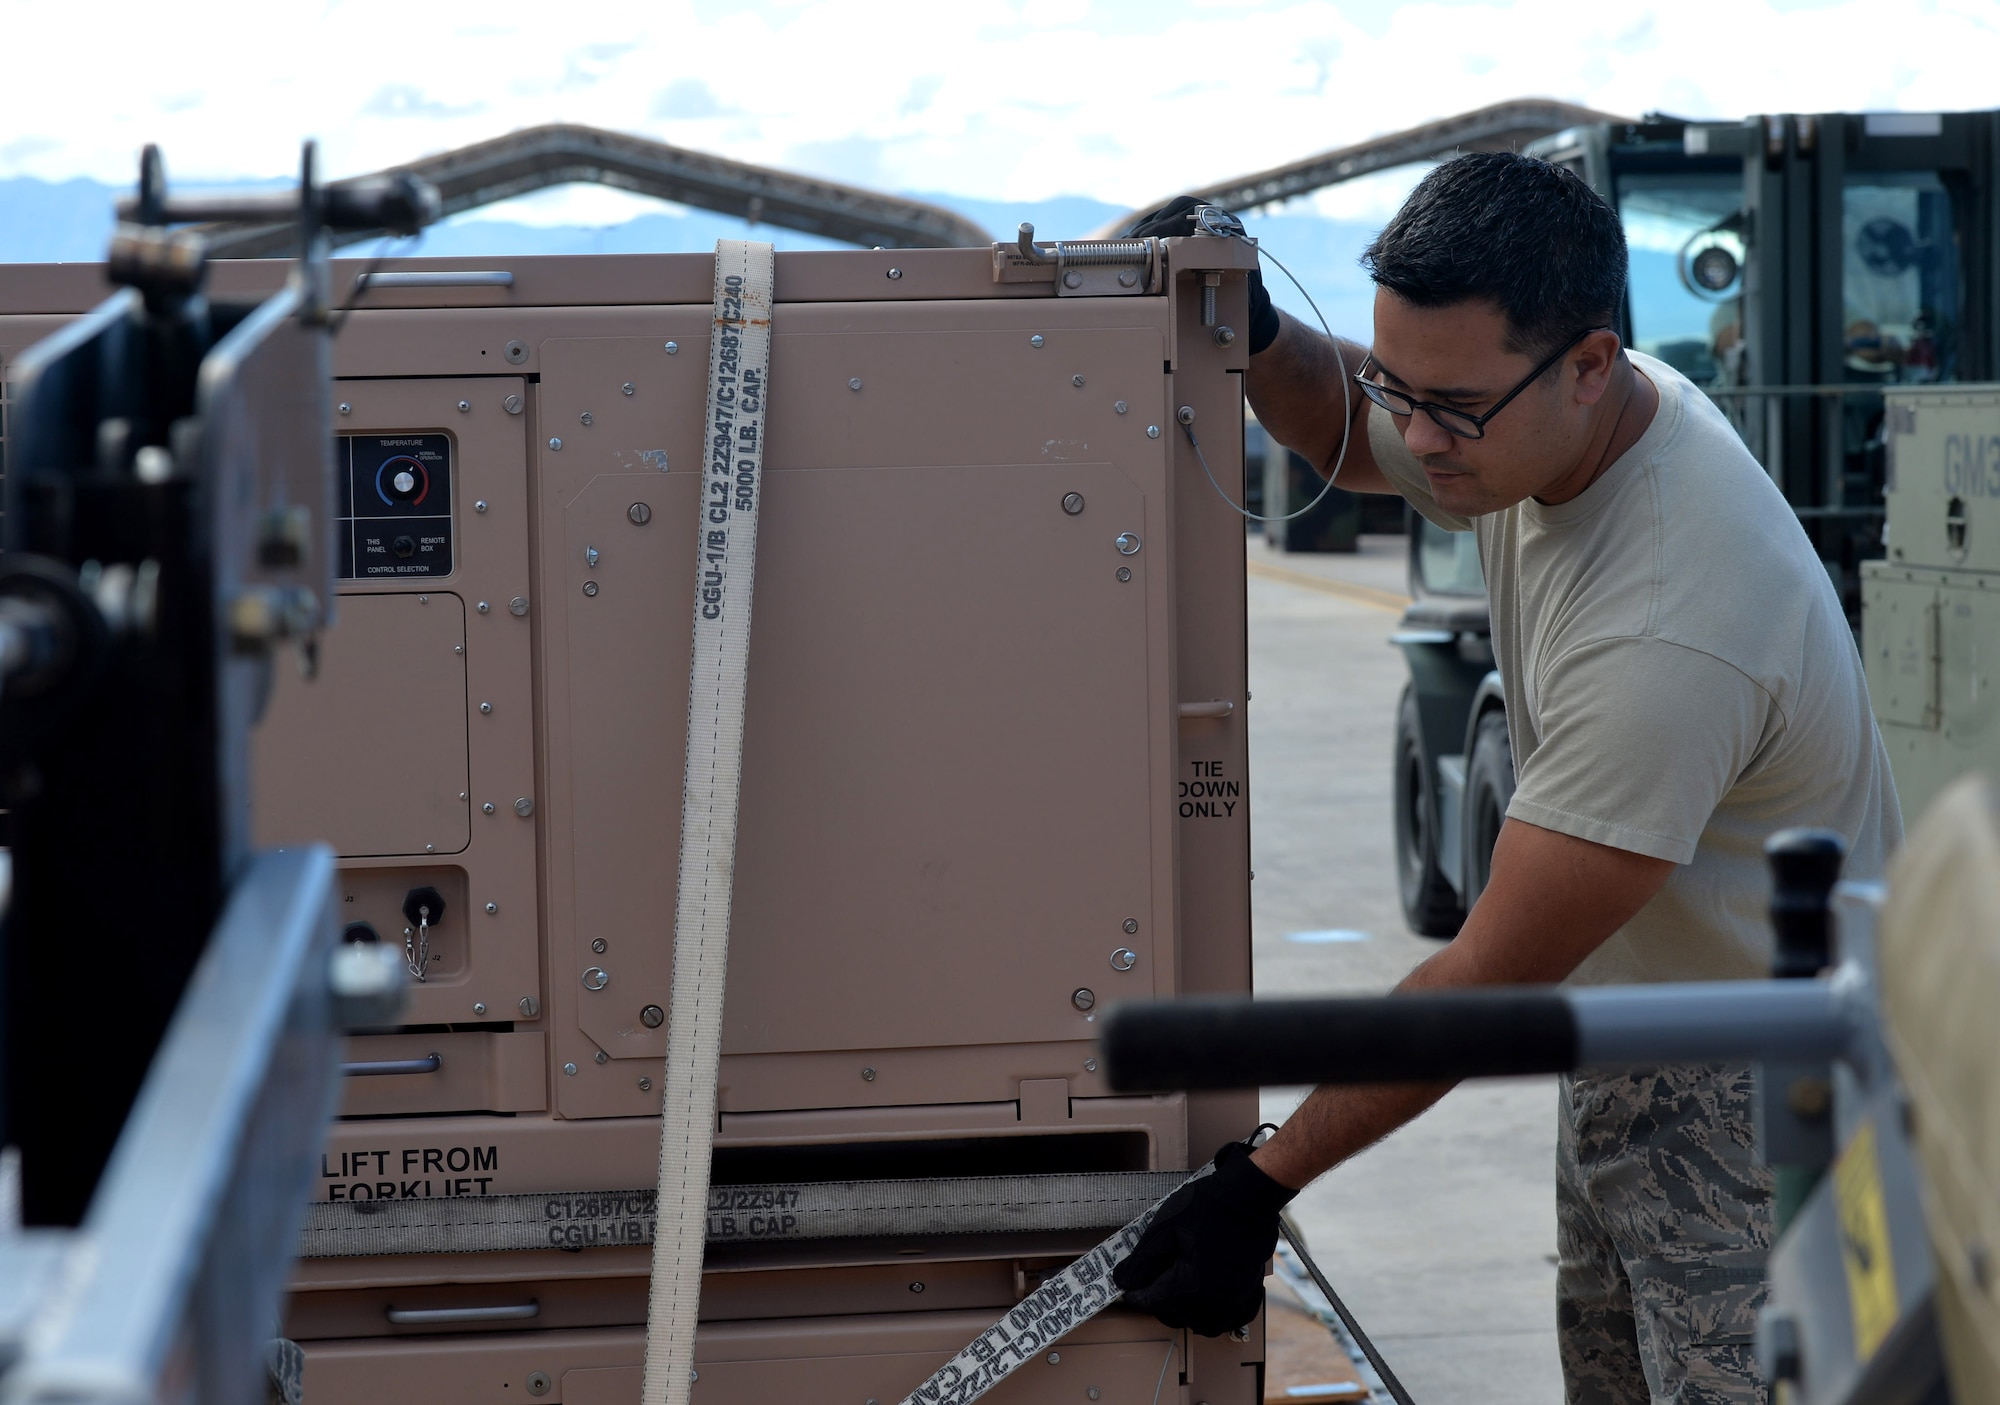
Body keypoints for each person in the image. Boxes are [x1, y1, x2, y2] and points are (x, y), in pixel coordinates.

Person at [1112, 156, 1902, 1404]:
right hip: (1633, 1038)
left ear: (1589, 363)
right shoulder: (1547, 423)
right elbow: (1331, 423)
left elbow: (1487, 973)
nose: (1419, 442)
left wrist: (1260, 1183)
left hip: (1759, 1102)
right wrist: (1252, 323)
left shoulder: (1665, 625)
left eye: (1452, 409)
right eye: (1399, 387)